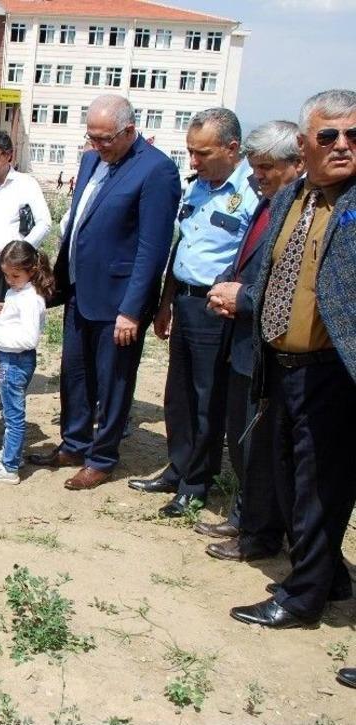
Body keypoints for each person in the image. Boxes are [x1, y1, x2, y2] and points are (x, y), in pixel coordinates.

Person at [229, 89, 356, 630]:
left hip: (333, 372)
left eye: (353, 135)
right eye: (329, 136)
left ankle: (303, 598)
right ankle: (329, 577)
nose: (343, 145)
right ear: (303, 144)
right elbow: (280, 276)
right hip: (280, 365)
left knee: (317, 487)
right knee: (287, 474)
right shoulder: (291, 197)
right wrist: (245, 296)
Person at [30, 94, 180, 491]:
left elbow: (152, 248)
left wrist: (132, 310)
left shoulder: (156, 171)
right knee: (74, 374)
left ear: (130, 131)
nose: (96, 146)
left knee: (112, 380)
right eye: (91, 138)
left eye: (104, 139)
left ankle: (102, 456)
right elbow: (79, 222)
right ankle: (75, 443)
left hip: (119, 301)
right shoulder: (92, 160)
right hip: (81, 290)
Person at [130, 108, 258, 517]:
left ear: (232, 148)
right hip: (184, 300)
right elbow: (181, 246)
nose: (194, 162)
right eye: (190, 152)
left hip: (215, 308)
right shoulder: (198, 188)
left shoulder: (252, 195)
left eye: (202, 153)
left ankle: (196, 483)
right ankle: (179, 465)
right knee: (178, 394)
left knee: (207, 398)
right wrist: (166, 302)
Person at [201, 121, 303, 562]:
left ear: (295, 165)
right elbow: (244, 263)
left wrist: (241, 300)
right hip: (242, 341)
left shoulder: (298, 212)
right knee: (241, 441)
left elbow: (289, 285)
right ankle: (245, 517)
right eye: (256, 167)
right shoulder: (267, 205)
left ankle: (260, 537)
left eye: (267, 168)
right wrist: (225, 287)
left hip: (268, 348)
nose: (258, 176)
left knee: (258, 449)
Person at [0, 241, 54, 484]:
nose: (9, 279)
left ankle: (10, 467)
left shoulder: (31, 298)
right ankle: (11, 453)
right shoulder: (19, 292)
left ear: (31, 271)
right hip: (9, 360)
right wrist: (5, 309)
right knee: (7, 408)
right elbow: (18, 316)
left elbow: (28, 338)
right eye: (6, 275)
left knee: (13, 415)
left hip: (16, 360)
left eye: (15, 275)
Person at [0, 130, 52, 255]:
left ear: (8, 155)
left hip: (16, 266)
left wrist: (19, 252)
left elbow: (44, 223)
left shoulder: (27, 184)